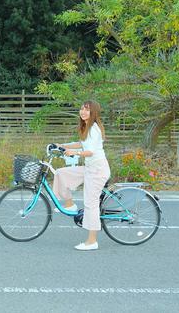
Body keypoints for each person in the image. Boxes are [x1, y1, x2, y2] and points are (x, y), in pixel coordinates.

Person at [53, 100, 111, 251]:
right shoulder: (87, 127)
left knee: (91, 204)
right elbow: (81, 143)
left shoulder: (94, 129)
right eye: (82, 109)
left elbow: (89, 151)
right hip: (90, 168)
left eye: (87, 110)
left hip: (97, 170)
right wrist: (62, 146)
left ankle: (92, 241)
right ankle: (70, 205)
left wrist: (75, 153)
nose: (83, 112)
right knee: (61, 174)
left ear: (94, 113)